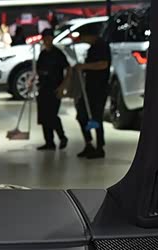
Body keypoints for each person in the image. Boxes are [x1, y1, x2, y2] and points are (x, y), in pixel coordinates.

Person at [65, 30, 111, 159]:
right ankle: (88, 143)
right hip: (89, 88)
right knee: (82, 116)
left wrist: (84, 66)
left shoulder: (102, 46)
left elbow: (103, 64)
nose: (82, 39)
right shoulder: (92, 48)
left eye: (83, 36)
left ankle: (100, 147)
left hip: (99, 88)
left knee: (96, 117)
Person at [35, 28, 68, 151]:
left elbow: (68, 69)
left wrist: (63, 86)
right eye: (45, 38)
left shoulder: (58, 54)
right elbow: (38, 69)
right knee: (44, 116)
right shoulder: (43, 54)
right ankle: (49, 142)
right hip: (43, 88)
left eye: (49, 38)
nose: (47, 41)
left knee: (52, 115)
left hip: (55, 88)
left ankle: (62, 137)